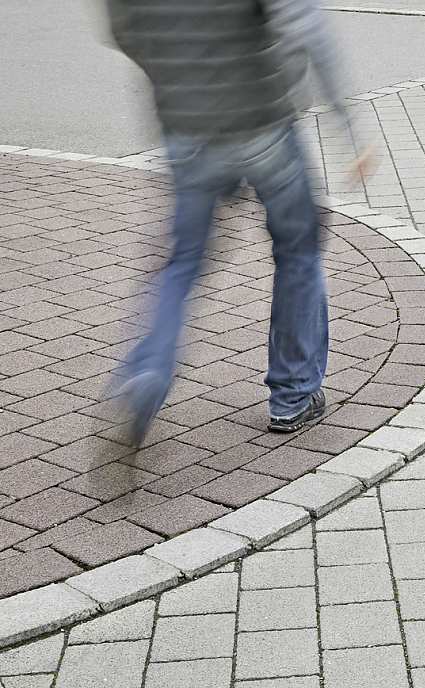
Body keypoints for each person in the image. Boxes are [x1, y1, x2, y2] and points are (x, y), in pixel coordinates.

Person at [105, 0, 371, 446]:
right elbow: (306, 25)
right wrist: (348, 126)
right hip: (264, 125)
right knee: (298, 249)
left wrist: (180, 80)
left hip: (187, 130)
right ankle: (293, 397)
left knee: (183, 260)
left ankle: (148, 371)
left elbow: (124, 28)